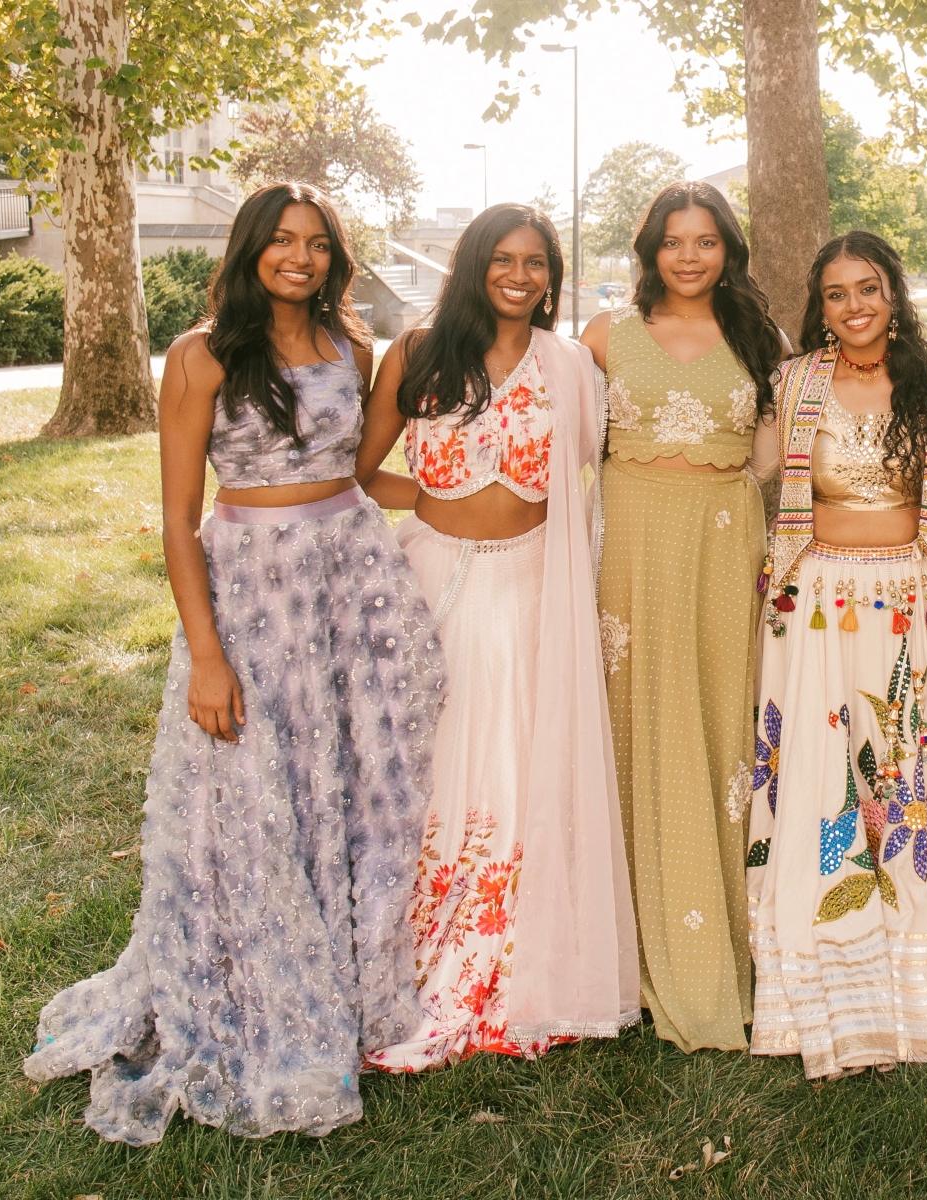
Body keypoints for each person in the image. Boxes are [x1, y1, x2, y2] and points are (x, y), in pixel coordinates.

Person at [23, 183, 444, 1143]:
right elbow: (177, 519)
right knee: (260, 784)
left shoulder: (352, 347)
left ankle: (360, 965)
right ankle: (261, 981)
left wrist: (461, 503)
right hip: (253, 595)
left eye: (319, 244)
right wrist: (208, 656)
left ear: (336, 257)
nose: (301, 257)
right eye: (284, 241)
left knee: (363, 780)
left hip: (353, 581)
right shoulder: (201, 355)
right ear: (252, 247)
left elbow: (357, 469)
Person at [358, 203, 638, 1072]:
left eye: (537, 263)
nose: (522, 277)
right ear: (476, 263)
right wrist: (433, 507)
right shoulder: (414, 352)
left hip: (534, 587)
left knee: (524, 757)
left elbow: (617, 467)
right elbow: (362, 471)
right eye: (505, 260)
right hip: (438, 580)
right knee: (437, 755)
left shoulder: (570, 364)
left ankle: (522, 948)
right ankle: (416, 943)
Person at [743, 232, 927, 1078]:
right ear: (821, 305)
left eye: (869, 288)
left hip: (911, 599)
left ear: (894, 293)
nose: (855, 306)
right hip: (818, 601)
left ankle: (911, 932)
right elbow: (756, 473)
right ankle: (821, 928)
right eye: (838, 294)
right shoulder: (797, 380)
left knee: (900, 759)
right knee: (822, 764)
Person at [580, 182, 787, 1053]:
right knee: (629, 720)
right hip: (629, 539)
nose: (691, 256)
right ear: (650, 251)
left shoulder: (760, 339)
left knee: (713, 723)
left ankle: (716, 946)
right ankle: (615, 948)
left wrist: (747, 514)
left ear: (727, 250)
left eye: (706, 241)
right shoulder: (602, 337)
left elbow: (776, 454)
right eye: (674, 241)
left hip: (721, 539)